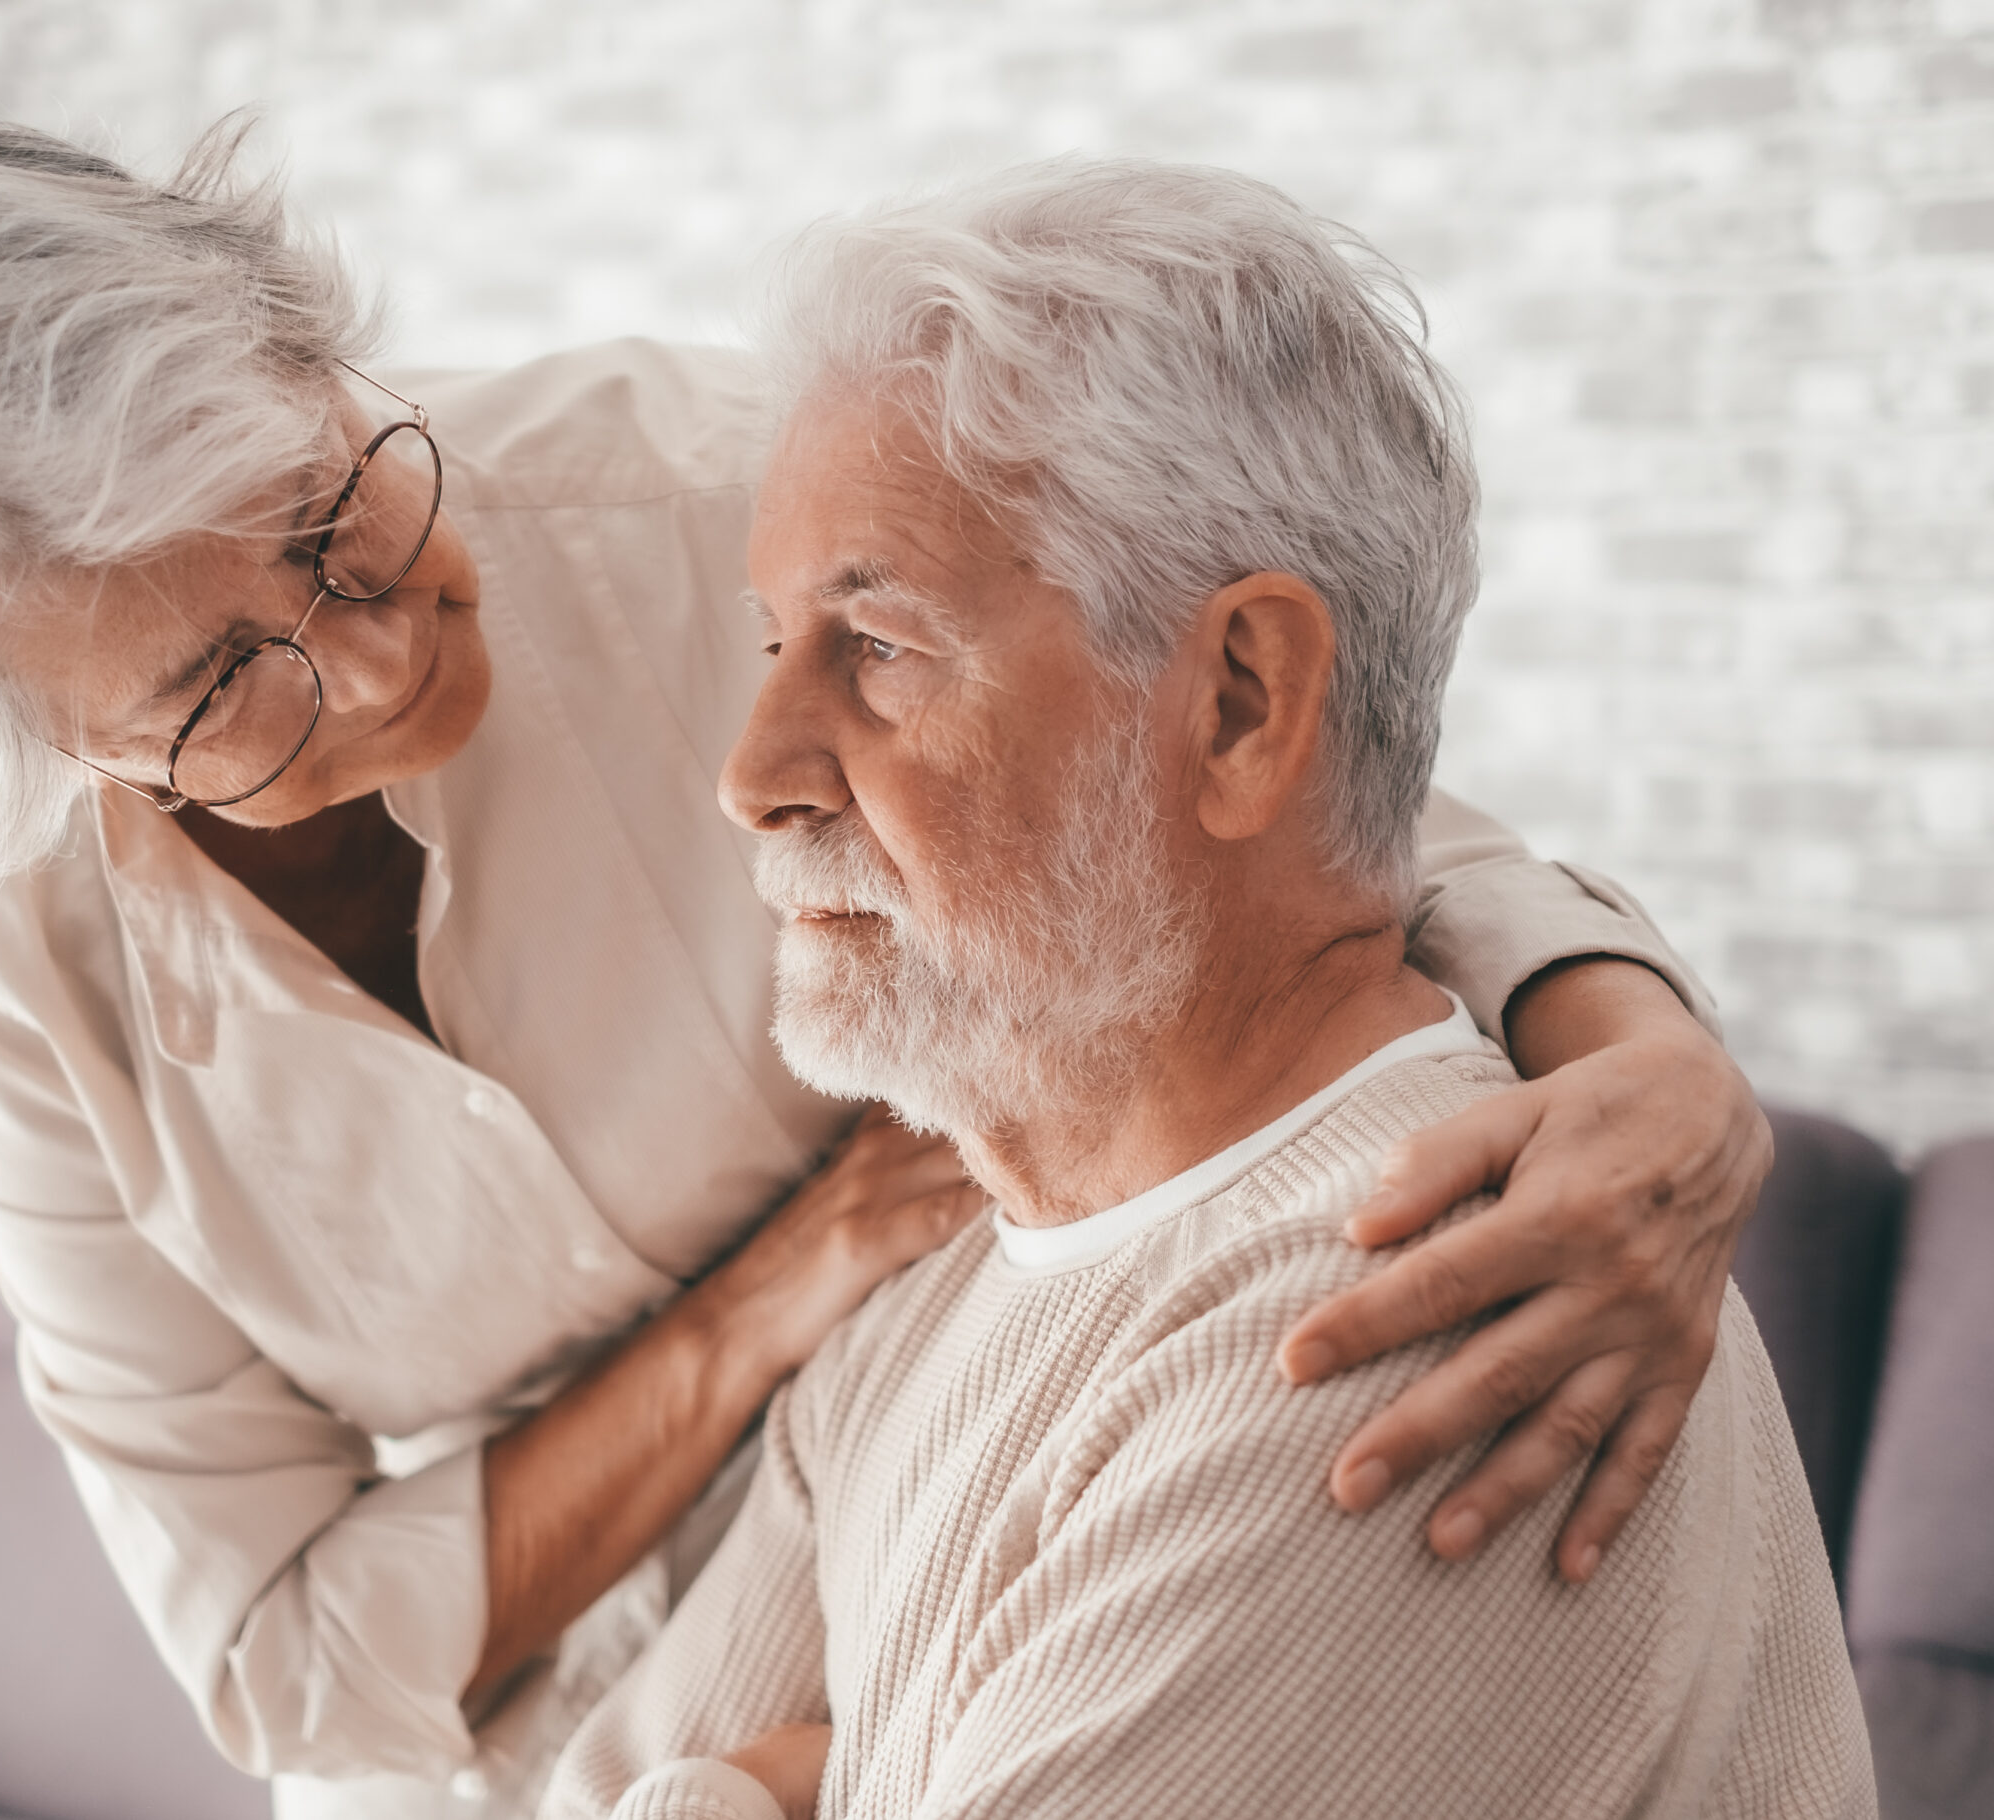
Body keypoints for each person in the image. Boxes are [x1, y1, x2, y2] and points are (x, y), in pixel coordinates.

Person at [0, 116, 1773, 1813]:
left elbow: (1268, 774)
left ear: (307, 347)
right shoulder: (15, 944)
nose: (385, 656)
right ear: (49, 749)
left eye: (332, 510)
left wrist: (1642, 1053)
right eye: (223, 685)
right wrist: (786, 1294)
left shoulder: (704, 503)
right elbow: (283, 1662)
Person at [543, 158, 1871, 1820]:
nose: (755, 774)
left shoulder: (1424, 1319)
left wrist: (749, 1788)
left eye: (877, 647)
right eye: (771, 646)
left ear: (1243, 701)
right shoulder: (917, 1325)